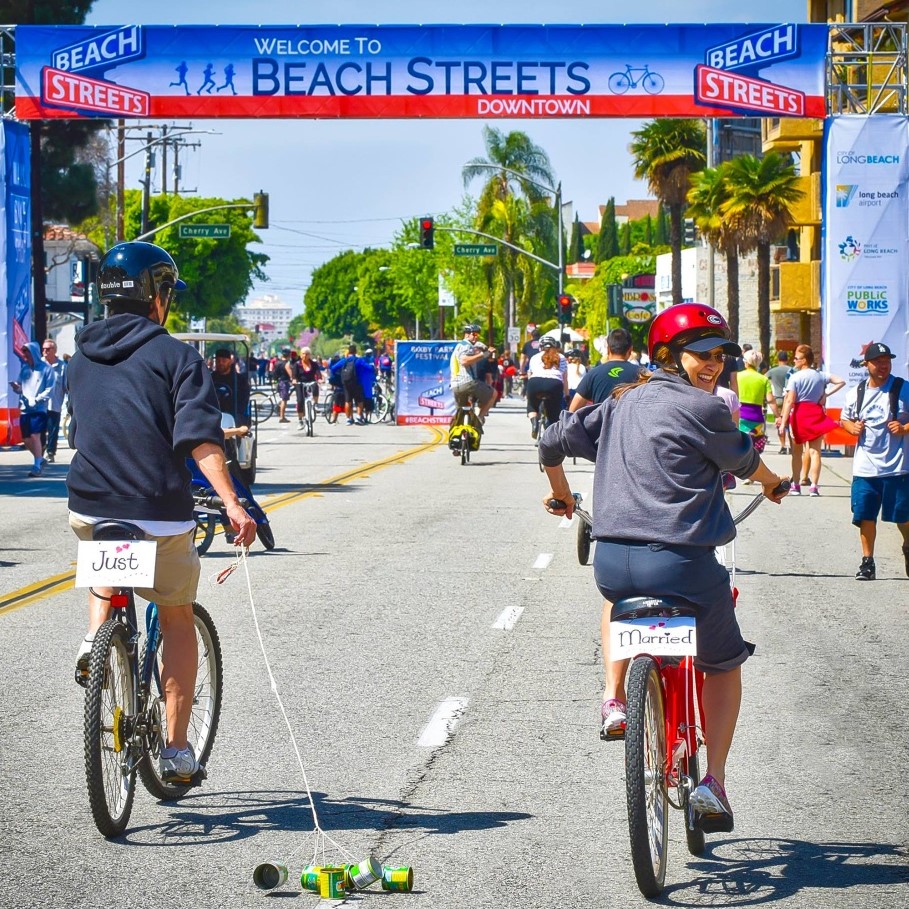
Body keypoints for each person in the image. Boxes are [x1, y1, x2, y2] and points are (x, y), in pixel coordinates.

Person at [539, 303, 787, 832]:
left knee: (620, 607)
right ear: (668, 357)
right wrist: (771, 483)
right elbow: (745, 461)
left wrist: (561, 496)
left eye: (720, 355)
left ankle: (616, 698)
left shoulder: (618, 402)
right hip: (680, 566)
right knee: (723, 661)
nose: (714, 365)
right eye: (702, 354)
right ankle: (713, 782)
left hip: (613, 566)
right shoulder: (708, 411)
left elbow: (550, 441)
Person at [66, 241, 256, 782]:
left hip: (91, 507)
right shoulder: (178, 358)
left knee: (105, 563)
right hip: (157, 513)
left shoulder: (79, 357)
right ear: (157, 295)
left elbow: (83, 433)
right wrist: (232, 503)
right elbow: (199, 439)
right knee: (175, 616)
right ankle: (175, 750)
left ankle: (94, 646)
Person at [839, 342, 909, 581]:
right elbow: (844, 420)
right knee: (865, 516)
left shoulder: (903, 388)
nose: (883, 365)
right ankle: (868, 562)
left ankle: (908, 547)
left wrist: (905, 427)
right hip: (865, 468)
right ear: (866, 364)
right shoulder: (855, 393)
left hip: (897, 467)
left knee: (903, 517)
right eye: (878, 361)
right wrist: (852, 427)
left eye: (887, 360)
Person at [777, 344, 845, 496]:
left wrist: (783, 422)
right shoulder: (820, 375)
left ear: (804, 360)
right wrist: (826, 395)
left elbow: (789, 401)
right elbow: (841, 381)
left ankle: (796, 485)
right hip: (816, 413)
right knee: (815, 452)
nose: (794, 360)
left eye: (797, 358)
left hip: (800, 414)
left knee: (796, 452)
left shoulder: (795, 377)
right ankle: (814, 486)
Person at [569, 327, 642, 412]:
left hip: (601, 424)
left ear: (608, 349)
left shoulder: (593, 374)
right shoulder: (642, 375)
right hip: (630, 424)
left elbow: (573, 410)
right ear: (630, 350)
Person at [10, 341, 55, 477]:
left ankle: (36, 465)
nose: (25, 355)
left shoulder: (47, 369)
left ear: (33, 352)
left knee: (35, 436)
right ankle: (40, 459)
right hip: (25, 409)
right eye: (24, 352)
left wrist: (36, 399)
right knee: (26, 438)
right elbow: (21, 388)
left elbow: (50, 390)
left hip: (39, 409)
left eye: (27, 352)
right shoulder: (25, 369)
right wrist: (16, 388)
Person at [448, 323, 496, 430]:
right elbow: (464, 360)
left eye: (478, 334)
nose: (476, 336)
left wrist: (482, 347)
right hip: (468, 382)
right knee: (493, 394)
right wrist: (484, 354)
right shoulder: (466, 346)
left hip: (456, 385)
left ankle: (454, 434)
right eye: (474, 334)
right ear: (466, 334)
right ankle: (479, 418)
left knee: (459, 412)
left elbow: (475, 346)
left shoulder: (459, 346)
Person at [736, 348, 780, 459]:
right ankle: (752, 470)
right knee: (754, 449)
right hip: (756, 418)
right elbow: (770, 400)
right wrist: (778, 416)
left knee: (738, 446)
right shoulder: (763, 379)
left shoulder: (737, 376)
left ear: (746, 362)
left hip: (739, 415)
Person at [526, 336, 568, 438]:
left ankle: (535, 423)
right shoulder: (561, 357)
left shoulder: (534, 357)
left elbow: (529, 375)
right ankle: (551, 435)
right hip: (554, 384)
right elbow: (565, 378)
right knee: (554, 410)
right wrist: (566, 395)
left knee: (532, 406)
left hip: (535, 382)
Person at [40, 338, 67, 464]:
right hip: (39, 405)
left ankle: (50, 452)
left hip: (55, 403)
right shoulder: (39, 365)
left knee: (53, 430)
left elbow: (66, 386)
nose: (45, 351)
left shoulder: (62, 367)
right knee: (39, 430)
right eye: (43, 348)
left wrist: (70, 401)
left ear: (54, 350)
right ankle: (39, 451)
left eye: (48, 349)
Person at [210, 348, 250, 427]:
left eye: (224, 361)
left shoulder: (240, 380)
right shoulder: (210, 378)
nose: (221, 363)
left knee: (236, 421)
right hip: (213, 412)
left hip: (234, 412)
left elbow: (243, 400)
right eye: (218, 361)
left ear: (230, 361)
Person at [332, 344, 366, 425]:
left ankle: (348, 419)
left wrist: (338, 376)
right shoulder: (359, 360)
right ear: (355, 351)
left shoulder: (344, 360)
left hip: (346, 383)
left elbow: (333, 368)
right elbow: (368, 367)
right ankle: (358, 417)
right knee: (359, 401)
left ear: (349, 351)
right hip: (357, 382)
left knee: (348, 401)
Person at [766, 351, 793, 453]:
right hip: (789, 398)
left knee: (780, 423)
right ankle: (791, 446)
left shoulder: (773, 371)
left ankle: (783, 445)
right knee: (789, 424)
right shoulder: (791, 370)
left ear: (778, 359)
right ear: (787, 359)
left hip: (777, 399)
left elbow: (763, 378)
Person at [292, 346, 322, 427]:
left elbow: (318, 372)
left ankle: (315, 404)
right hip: (300, 383)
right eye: (303, 354)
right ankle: (300, 420)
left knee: (315, 385)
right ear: (301, 355)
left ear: (310, 355)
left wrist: (319, 379)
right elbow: (294, 375)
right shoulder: (297, 364)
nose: (305, 355)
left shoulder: (314, 364)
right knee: (300, 401)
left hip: (310, 381)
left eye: (307, 354)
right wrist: (294, 380)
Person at [276, 349, 293, 423]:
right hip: (285, 382)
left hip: (279, 382)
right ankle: (282, 417)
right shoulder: (286, 363)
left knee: (283, 398)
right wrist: (293, 379)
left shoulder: (277, 363)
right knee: (284, 400)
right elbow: (291, 374)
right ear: (289, 355)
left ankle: (280, 409)